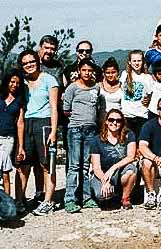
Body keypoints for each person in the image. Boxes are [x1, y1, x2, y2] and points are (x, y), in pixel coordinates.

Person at [17, 49, 60, 216]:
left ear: (38, 61)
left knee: (47, 165)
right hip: (25, 123)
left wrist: (54, 131)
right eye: (25, 63)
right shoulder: (22, 82)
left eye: (31, 61)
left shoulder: (49, 80)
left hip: (44, 123)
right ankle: (19, 201)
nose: (29, 65)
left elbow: (54, 107)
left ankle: (48, 200)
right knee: (23, 165)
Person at [63, 58, 100, 213]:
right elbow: (66, 109)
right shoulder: (72, 87)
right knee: (74, 166)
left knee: (85, 166)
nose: (87, 73)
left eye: (89, 70)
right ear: (79, 70)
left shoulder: (96, 87)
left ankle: (86, 198)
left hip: (91, 130)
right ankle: (70, 199)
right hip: (76, 129)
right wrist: (78, 119)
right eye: (84, 70)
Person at [89, 108, 138, 210]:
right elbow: (96, 167)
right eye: (111, 120)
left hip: (120, 171)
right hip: (103, 173)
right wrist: (105, 182)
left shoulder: (129, 135)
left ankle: (125, 198)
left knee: (131, 170)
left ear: (122, 122)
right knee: (102, 195)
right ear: (106, 122)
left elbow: (131, 157)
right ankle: (114, 195)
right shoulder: (96, 140)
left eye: (118, 120)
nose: (114, 123)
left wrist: (113, 168)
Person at [120, 50, 154, 136]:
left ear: (143, 62)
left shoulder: (147, 77)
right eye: (134, 61)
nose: (136, 63)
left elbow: (151, 94)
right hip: (126, 115)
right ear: (130, 62)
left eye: (139, 61)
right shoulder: (124, 75)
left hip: (141, 116)